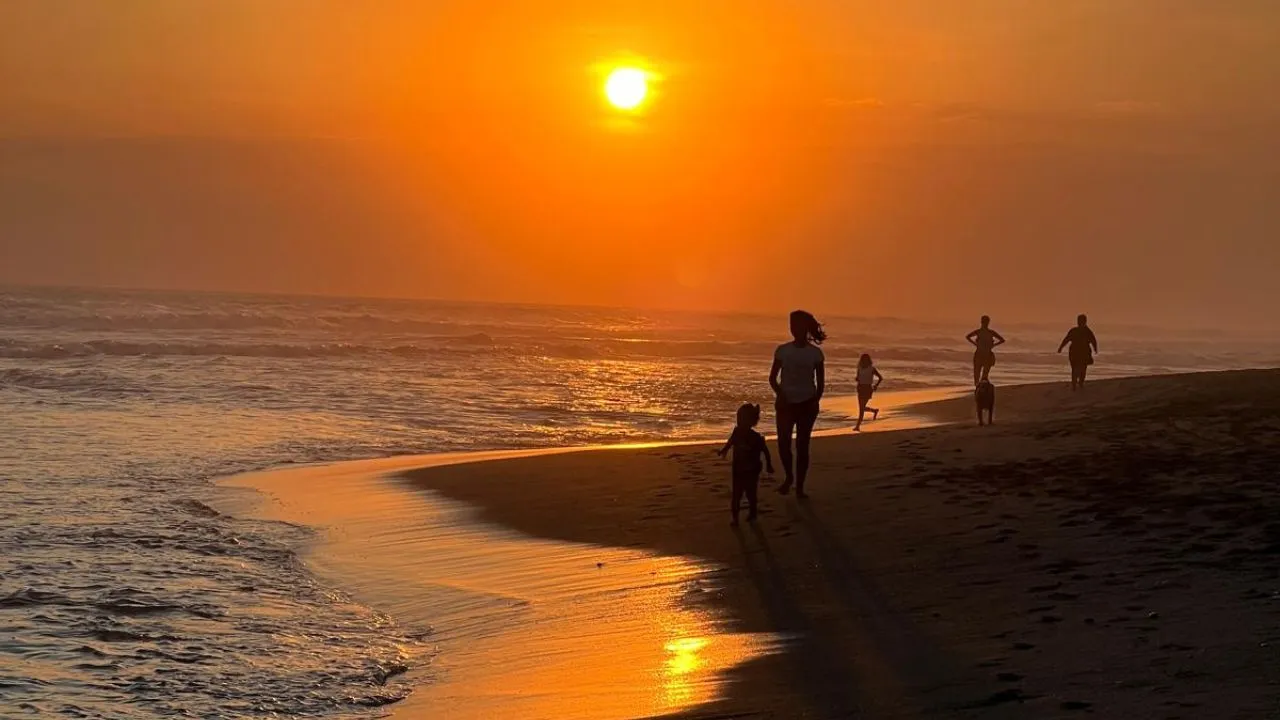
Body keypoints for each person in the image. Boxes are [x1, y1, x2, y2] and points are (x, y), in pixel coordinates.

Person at [770, 310, 825, 499]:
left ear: (805, 328)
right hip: (785, 404)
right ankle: (789, 477)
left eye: (798, 326)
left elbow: (821, 383)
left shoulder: (815, 354)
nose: (794, 329)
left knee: (802, 446)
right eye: (791, 326)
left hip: (807, 405)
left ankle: (800, 487)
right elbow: (772, 379)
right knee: (783, 444)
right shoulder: (782, 351)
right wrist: (780, 394)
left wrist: (814, 402)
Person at [717, 403, 773, 526]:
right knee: (736, 494)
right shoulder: (736, 432)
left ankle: (753, 513)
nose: (739, 422)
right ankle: (735, 518)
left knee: (750, 493)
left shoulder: (756, 437)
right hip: (737, 469)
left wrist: (769, 464)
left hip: (752, 470)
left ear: (752, 421)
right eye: (738, 419)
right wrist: (724, 450)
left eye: (742, 419)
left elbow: (765, 451)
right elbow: (730, 442)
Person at [1058, 314, 1099, 390]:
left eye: (1081, 321)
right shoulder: (1074, 330)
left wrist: (1095, 348)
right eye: (1079, 321)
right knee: (1075, 368)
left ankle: (1080, 383)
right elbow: (1066, 339)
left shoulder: (1087, 331)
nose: (1079, 323)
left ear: (1085, 322)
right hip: (1074, 352)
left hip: (1084, 353)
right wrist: (1060, 347)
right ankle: (1074, 384)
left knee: (1083, 369)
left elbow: (1093, 341)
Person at [966, 315, 1005, 387]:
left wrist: (993, 345)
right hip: (981, 354)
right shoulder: (981, 332)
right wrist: (975, 344)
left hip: (985, 355)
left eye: (985, 322)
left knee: (982, 375)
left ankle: (981, 390)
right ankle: (978, 390)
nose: (985, 323)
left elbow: (1002, 340)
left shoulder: (986, 332)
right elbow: (968, 337)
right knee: (978, 374)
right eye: (985, 322)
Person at [853, 353, 883, 432]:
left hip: (867, 388)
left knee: (861, 408)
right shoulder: (859, 368)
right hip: (860, 388)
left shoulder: (872, 368)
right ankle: (874, 411)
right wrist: (857, 379)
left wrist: (876, 386)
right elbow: (858, 377)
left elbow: (880, 378)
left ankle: (857, 426)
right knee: (861, 407)